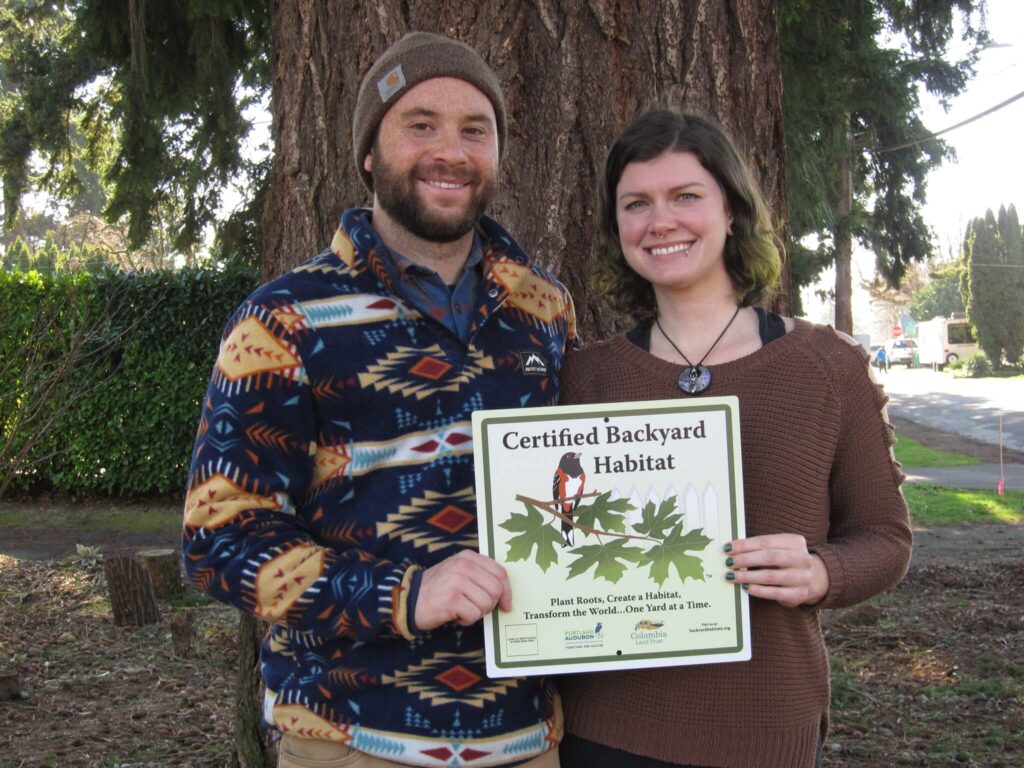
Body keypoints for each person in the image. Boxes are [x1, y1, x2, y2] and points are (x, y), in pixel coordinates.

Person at [182, 32, 577, 768]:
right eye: (419, 124)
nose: (450, 151)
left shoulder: (546, 307)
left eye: (474, 129)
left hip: (525, 742)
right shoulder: (285, 318)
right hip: (352, 743)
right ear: (369, 153)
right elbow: (220, 539)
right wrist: (403, 592)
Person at [556, 108, 911, 768]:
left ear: (732, 212)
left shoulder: (827, 366)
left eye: (686, 196)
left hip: (762, 727)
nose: (661, 221)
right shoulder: (583, 376)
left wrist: (819, 571)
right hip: (604, 729)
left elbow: (885, 540)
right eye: (637, 204)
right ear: (618, 229)